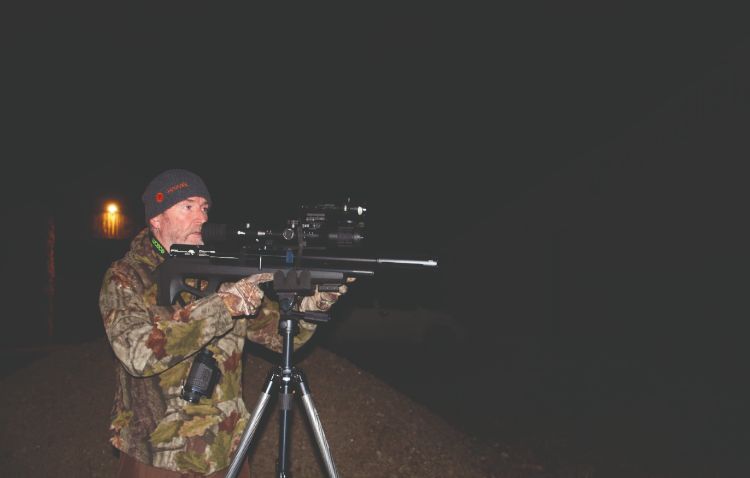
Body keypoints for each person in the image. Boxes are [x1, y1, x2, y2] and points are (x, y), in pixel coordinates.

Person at [99, 169, 346, 477]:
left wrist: (308, 307)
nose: (201, 217)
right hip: (160, 457)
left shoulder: (216, 271)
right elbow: (137, 353)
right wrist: (224, 306)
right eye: (188, 206)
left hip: (226, 451)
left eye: (204, 207)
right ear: (156, 218)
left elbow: (283, 338)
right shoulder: (126, 277)